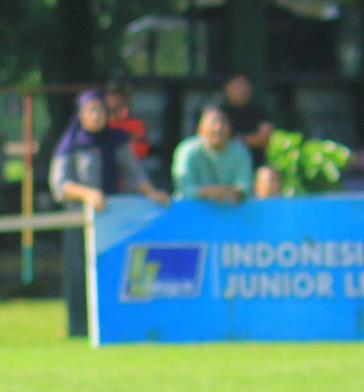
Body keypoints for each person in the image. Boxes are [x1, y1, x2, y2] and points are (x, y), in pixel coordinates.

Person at [51, 89, 158, 337]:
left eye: (100, 110)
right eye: (91, 111)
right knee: (80, 273)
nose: (96, 115)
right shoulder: (71, 144)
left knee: (114, 271)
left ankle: (115, 325)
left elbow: (133, 172)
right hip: (80, 218)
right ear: (81, 115)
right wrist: (87, 194)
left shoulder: (117, 139)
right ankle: (79, 328)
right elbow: (60, 184)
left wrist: (151, 192)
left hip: (112, 218)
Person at [170, 104, 255, 204]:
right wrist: (208, 192)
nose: (218, 128)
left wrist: (235, 193)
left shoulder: (240, 151)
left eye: (223, 123)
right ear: (200, 128)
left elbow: (245, 186)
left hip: (229, 211)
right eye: (213, 123)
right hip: (192, 210)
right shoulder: (187, 150)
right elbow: (184, 186)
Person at [221, 73, 274, 165]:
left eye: (244, 86)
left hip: (255, 164)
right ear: (227, 88)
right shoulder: (219, 112)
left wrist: (236, 139)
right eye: (237, 86)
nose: (241, 90)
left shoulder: (260, 112)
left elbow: (265, 139)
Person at [104, 85, 153, 161]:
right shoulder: (102, 123)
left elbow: (142, 150)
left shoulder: (136, 124)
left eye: (117, 97)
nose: (114, 101)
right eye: (112, 97)